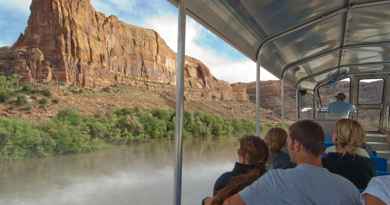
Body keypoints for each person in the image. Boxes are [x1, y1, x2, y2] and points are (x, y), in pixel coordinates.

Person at [208, 120, 361, 205]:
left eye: (289, 142)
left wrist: (208, 202)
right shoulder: (348, 188)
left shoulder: (276, 179)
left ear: (296, 145)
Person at [204, 136, 268, 205]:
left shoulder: (225, 180)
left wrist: (205, 201)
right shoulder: (271, 180)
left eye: (239, 150)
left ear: (243, 156)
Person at [322, 119, 375, 190]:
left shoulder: (326, 159)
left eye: (335, 131)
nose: (332, 133)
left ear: (337, 136)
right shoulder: (366, 161)